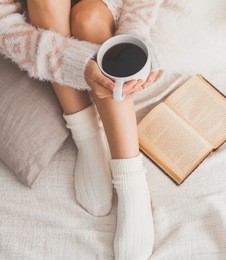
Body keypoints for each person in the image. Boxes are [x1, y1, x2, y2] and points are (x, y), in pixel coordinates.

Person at [0, 0, 161, 259]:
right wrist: (74, 63)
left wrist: (134, 38)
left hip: (106, 12)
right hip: (43, 16)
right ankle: (87, 137)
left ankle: (131, 178)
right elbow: (3, 24)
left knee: (89, 18)